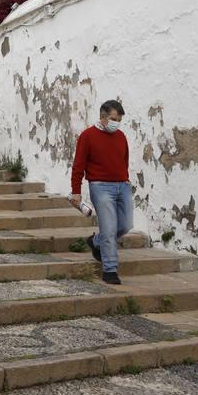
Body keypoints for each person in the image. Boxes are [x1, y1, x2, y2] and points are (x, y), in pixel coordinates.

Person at [69, 99, 131, 284]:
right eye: (113, 118)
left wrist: (125, 180)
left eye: (119, 119)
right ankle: (110, 269)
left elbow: (124, 160)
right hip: (100, 186)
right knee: (109, 228)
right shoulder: (87, 136)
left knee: (125, 225)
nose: (117, 122)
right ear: (102, 117)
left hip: (122, 185)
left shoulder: (121, 136)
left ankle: (96, 242)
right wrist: (76, 191)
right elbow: (78, 165)